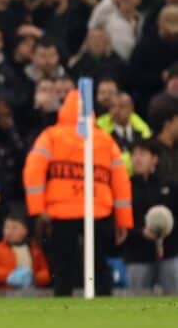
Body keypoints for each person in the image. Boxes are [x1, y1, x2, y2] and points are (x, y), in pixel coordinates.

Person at [24, 89, 134, 297]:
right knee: (99, 265)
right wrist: (123, 221)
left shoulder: (51, 136)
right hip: (98, 210)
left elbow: (33, 171)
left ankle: (63, 309)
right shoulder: (104, 140)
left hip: (62, 210)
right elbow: (121, 182)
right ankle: (104, 308)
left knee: (64, 265)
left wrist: (37, 209)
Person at [125, 140, 178, 294]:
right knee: (136, 305)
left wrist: (168, 228)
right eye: (133, 154)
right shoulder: (126, 187)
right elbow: (122, 222)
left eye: (142, 154)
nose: (137, 158)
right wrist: (141, 232)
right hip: (137, 256)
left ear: (155, 158)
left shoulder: (170, 185)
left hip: (170, 253)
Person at [0, 212, 52, 289]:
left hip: (31, 293)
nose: (9, 231)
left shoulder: (35, 250)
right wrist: (9, 276)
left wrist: (34, 278)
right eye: (7, 227)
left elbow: (47, 271)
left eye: (14, 228)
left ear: (24, 231)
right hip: (3, 294)